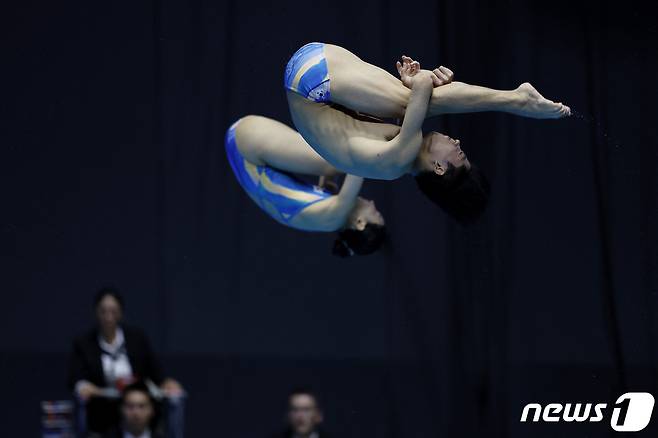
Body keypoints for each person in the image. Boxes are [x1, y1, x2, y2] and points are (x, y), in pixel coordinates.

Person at [284, 43, 570, 222]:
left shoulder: (400, 156)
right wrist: (425, 84)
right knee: (418, 103)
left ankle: (517, 101)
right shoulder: (397, 160)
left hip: (311, 80)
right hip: (310, 78)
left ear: (439, 168)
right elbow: (420, 90)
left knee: (415, 101)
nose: (457, 142)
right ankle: (515, 100)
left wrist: (424, 80)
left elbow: (421, 86)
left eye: (460, 153)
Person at [226, 115, 386, 256]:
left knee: (339, 160)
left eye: (375, 212)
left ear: (360, 223)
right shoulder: (325, 217)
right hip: (243, 146)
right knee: (332, 165)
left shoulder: (333, 218)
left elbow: (358, 164)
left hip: (248, 146)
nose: (372, 203)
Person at [68, 288, 184, 434]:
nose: (108, 317)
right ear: (96, 313)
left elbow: (155, 372)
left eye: (113, 311)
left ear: (121, 313)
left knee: (141, 407)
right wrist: (84, 386)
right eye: (103, 311)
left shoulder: (137, 338)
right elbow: (76, 379)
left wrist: (166, 382)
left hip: (135, 403)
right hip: (102, 411)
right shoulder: (84, 343)